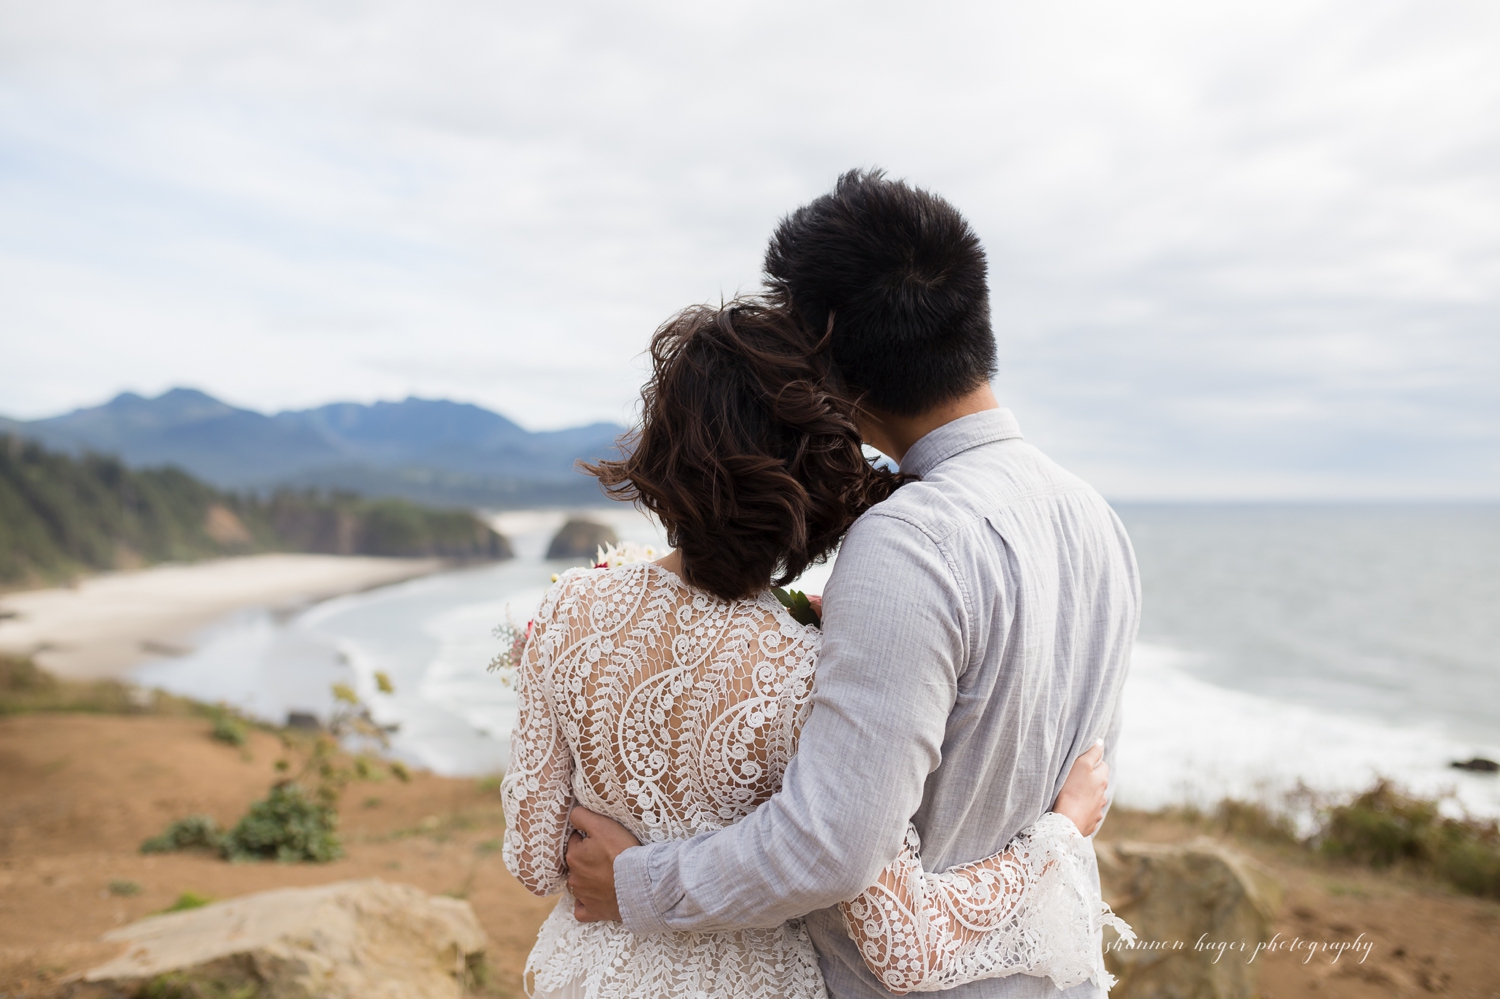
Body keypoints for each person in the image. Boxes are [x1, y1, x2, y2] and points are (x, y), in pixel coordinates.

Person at [562, 170, 1141, 999]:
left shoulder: (907, 542)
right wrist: (1056, 837)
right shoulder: (1096, 517)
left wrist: (635, 883)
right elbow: (1084, 780)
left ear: (824, 343)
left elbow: (832, 847)